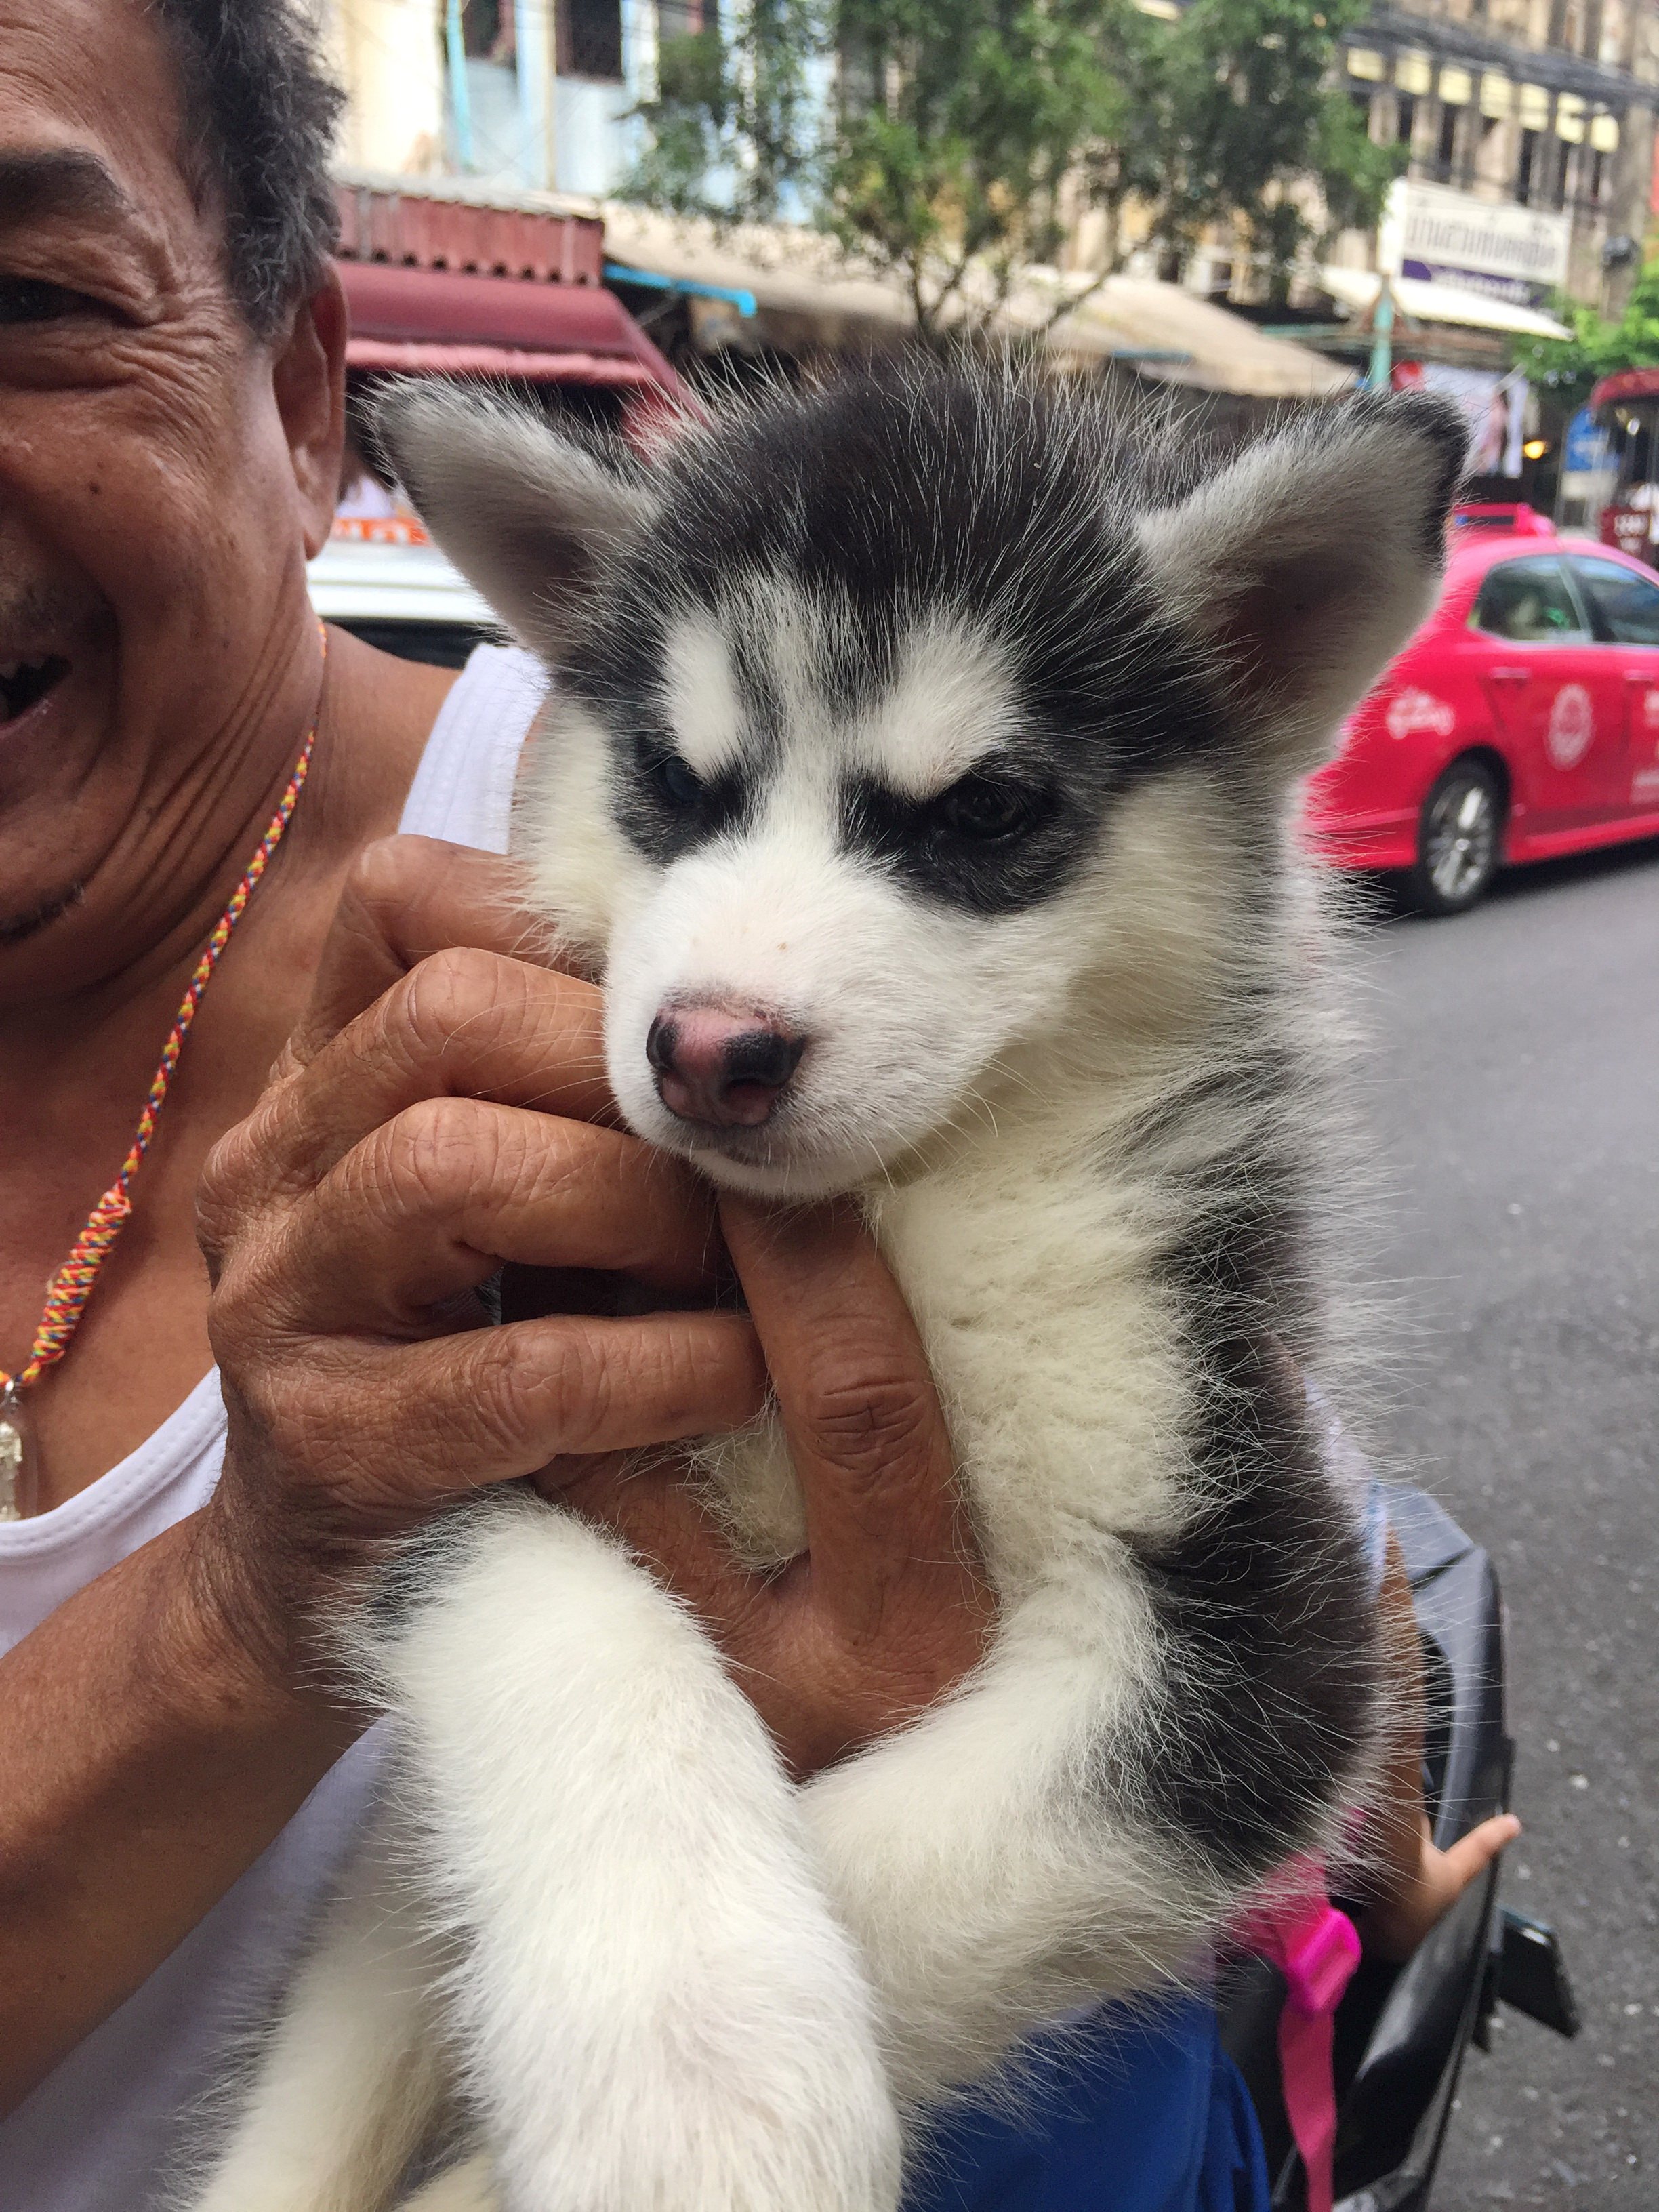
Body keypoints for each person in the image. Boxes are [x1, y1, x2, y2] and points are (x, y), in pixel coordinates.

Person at [0, 6, 1512, 2207]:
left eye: (29, 297)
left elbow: (1264, 1694)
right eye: (690, 798)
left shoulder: (500, 996)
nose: (730, 999)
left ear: (302, 380)